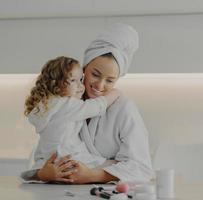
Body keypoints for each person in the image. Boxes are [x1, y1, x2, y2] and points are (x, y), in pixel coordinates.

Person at [21, 24, 153, 183]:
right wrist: (42, 174)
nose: (100, 85)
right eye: (95, 74)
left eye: (110, 80)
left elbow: (142, 168)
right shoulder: (67, 102)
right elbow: (46, 154)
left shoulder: (124, 108)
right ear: (84, 68)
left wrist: (92, 175)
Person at [22, 56, 120, 182]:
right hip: (69, 158)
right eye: (74, 80)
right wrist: (115, 93)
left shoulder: (46, 105)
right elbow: (95, 107)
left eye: (81, 79)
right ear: (57, 83)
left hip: (49, 162)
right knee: (118, 166)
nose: (81, 86)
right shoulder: (65, 104)